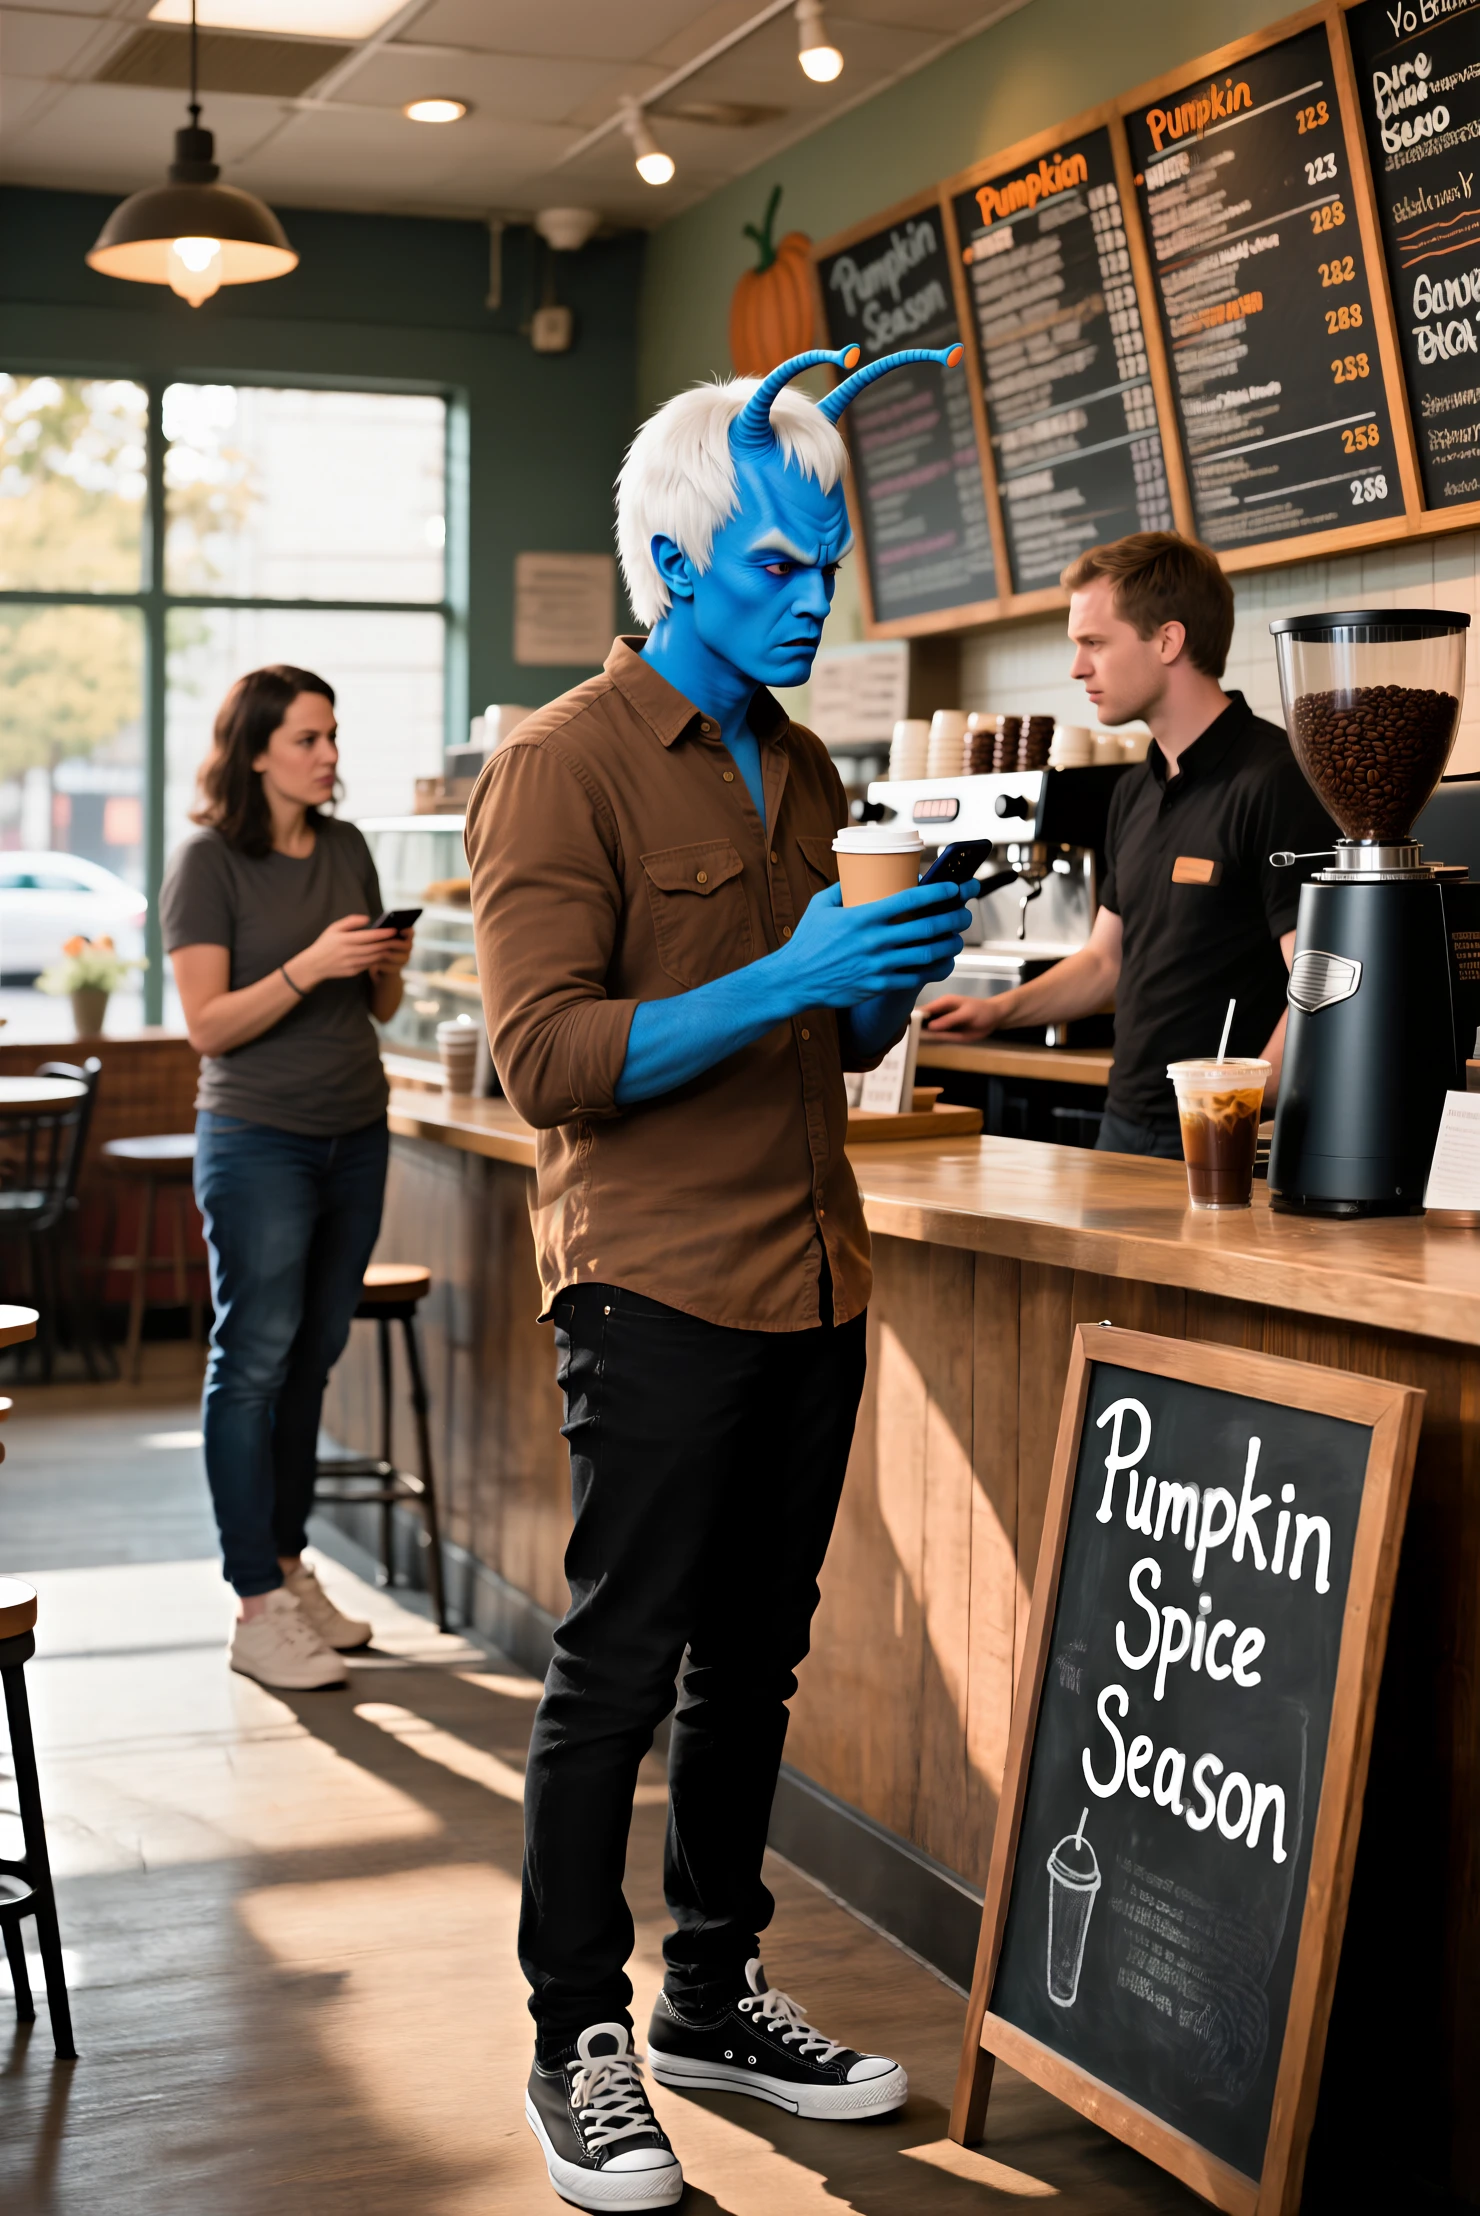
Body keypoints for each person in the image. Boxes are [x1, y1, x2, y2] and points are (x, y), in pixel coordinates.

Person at [467, 347, 977, 2213]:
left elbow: (823, 1047)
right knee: (619, 1670)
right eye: (774, 563)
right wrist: (789, 972)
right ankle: (573, 2038)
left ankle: (709, 1992)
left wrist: (883, 976)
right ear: (670, 569)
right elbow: (551, 1062)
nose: (810, 595)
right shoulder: (560, 765)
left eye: (825, 561)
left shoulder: (809, 762)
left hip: (816, 1275)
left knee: (755, 1666)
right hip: (656, 1286)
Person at [160, 666, 413, 1691]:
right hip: (257, 1136)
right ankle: (253, 1602)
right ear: (255, 750)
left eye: (333, 736)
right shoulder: (207, 861)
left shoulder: (347, 846)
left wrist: (383, 957)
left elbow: (382, 1009)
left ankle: (289, 1561)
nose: (329, 755)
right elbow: (207, 1025)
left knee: (311, 1358)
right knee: (253, 1358)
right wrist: (311, 964)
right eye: (309, 738)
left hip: (356, 1131)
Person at [923, 533, 1338, 1156]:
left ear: (1168, 641)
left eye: (1094, 643)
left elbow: (1321, 984)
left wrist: (1231, 1103)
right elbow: (1103, 964)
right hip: (1122, 1125)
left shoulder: (1277, 780)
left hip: (1226, 1137)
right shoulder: (1134, 791)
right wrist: (997, 1013)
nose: (1077, 667)